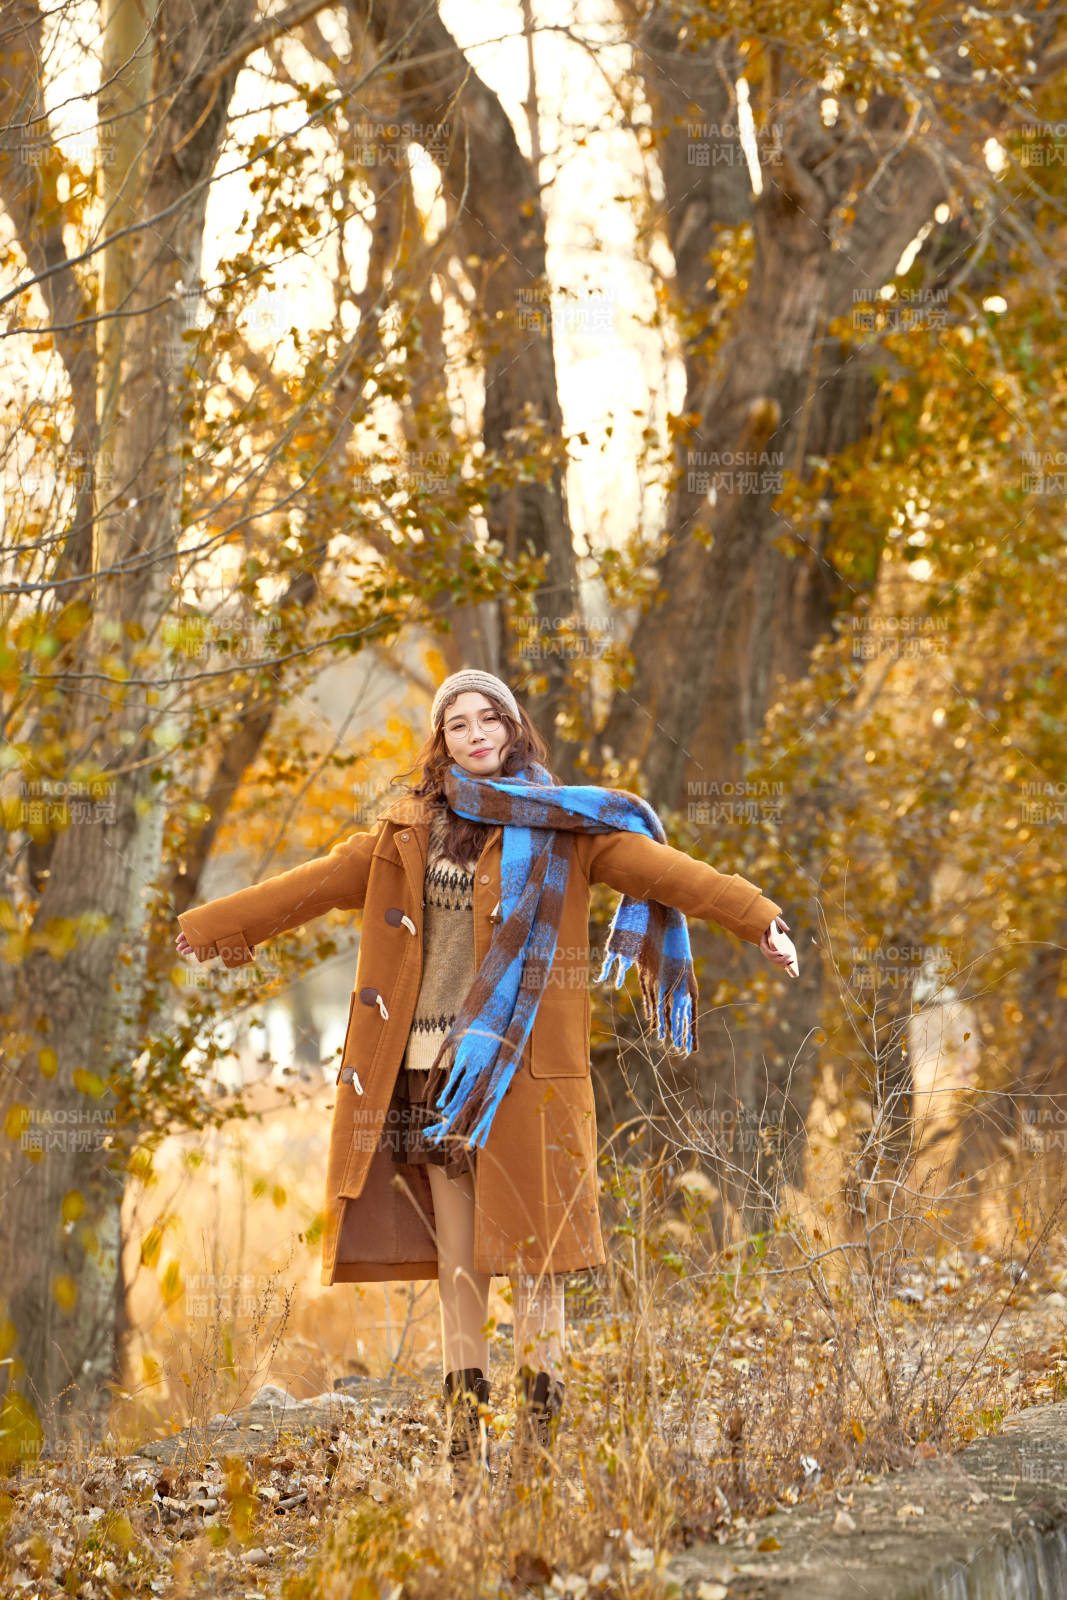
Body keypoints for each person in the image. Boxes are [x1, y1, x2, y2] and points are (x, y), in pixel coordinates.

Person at [175, 669, 793, 1492]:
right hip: (429, 1076)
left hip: (525, 1078)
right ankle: (464, 1438)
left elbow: (665, 872)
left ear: (512, 726)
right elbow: (313, 885)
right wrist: (215, 926)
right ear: (442, 740)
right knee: (459, 1262)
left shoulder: (568, 826)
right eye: (457, 722)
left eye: (488, 716)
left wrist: (758, 919)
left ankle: (541, 1436)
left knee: (537, 1262)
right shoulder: (406, 829)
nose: (474, 731)